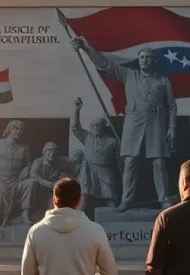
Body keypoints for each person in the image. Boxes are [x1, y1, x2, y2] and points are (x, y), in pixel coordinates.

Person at [73, 38, 177, 211]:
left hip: (156, 124)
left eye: (147, 57)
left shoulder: (163, 81)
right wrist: (85, 47)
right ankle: (126, 200)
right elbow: (105, 65)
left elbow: (172, 106)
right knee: (130, 163)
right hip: (134, 124)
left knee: (159, 163)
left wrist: (172, 127)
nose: (144, 60)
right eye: (141, 57)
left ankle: (164, 199)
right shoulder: (130, 75)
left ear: (154, 61)